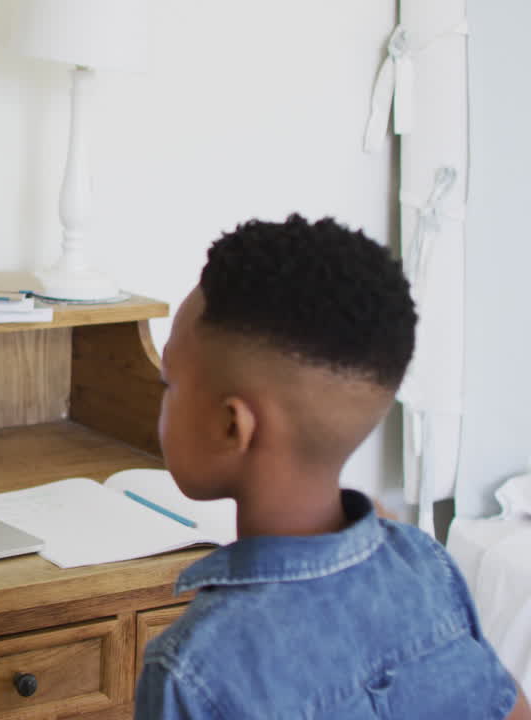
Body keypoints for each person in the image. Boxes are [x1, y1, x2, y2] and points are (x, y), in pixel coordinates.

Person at [134, 214, 530, 720]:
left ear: (232, 426)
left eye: (169, 383)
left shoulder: (193, 667)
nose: (161, 398)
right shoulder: (424, 563)